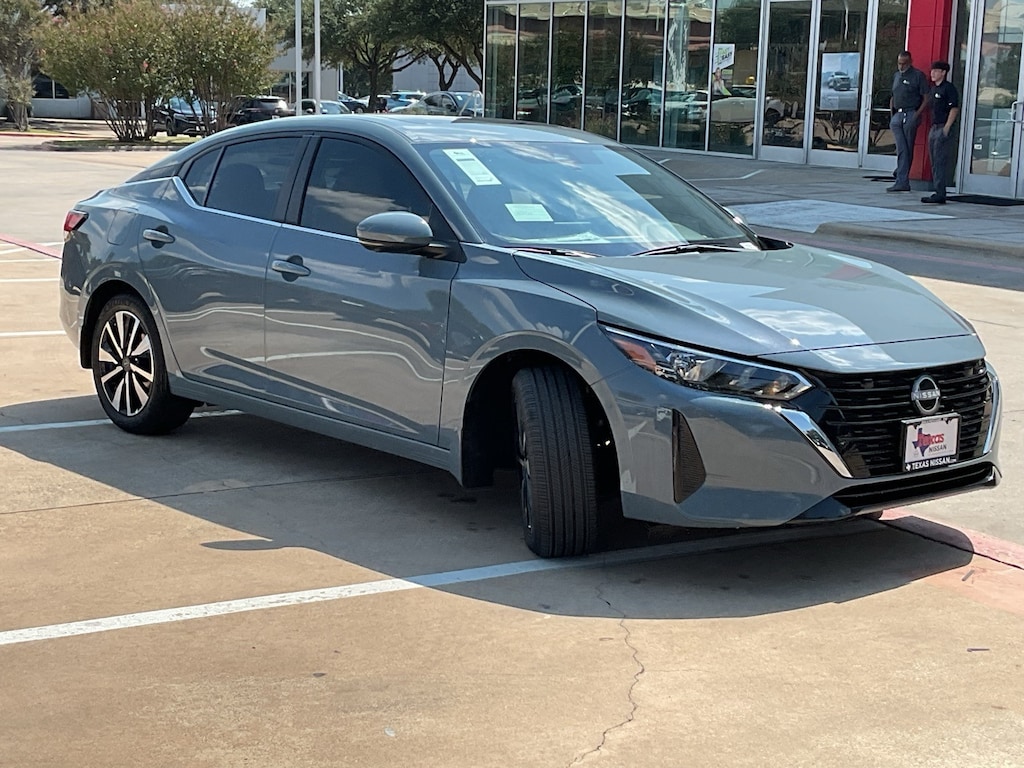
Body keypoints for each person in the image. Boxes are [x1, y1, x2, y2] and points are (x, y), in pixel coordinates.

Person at [887, 51, 929, 192]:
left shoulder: (917, 76)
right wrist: (892, 114)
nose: (901, 66)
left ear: (910, 62)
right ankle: (901, 173)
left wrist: (916, 115)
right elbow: (893, 95)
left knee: (906, 149)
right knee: (901, 148)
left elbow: (926, 98)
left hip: (911, 113)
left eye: (904, 63)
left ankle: (902, 179)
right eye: (899, 63)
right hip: (897, 115)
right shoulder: (896, 76)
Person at [921, 60, 960, 204]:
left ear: (943, 73)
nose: (932, 73)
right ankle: (937, 190)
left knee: (939, 160)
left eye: (936, 71)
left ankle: (940, 192)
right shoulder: (933, 89)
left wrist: (947, 127)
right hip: (934, 127)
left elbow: (954, 108)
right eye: (932, 71)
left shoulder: (948, 88)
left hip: (943, 127)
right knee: (933, 160)